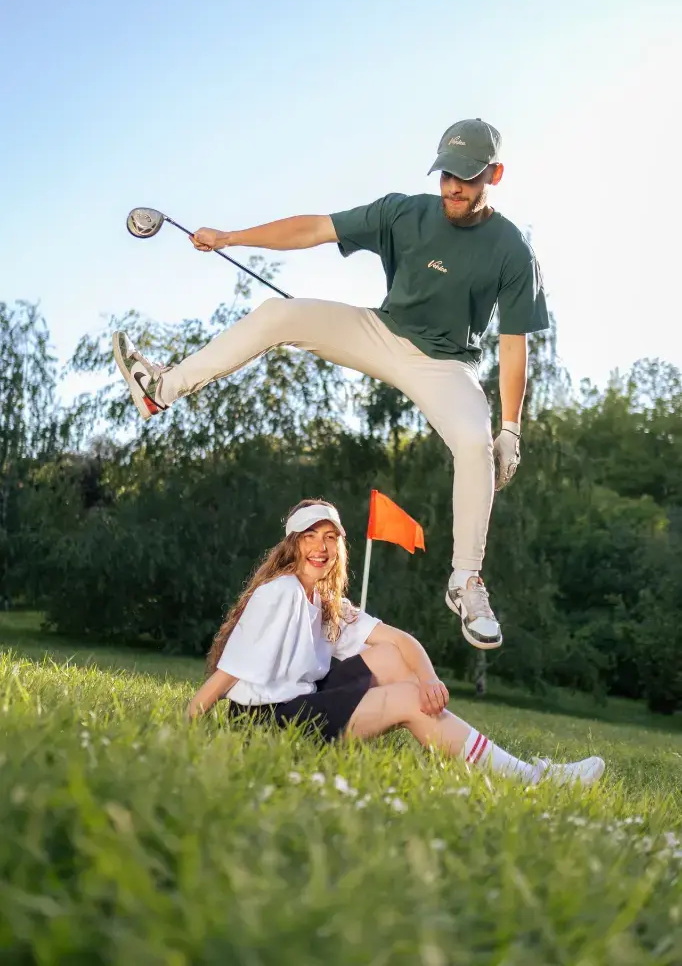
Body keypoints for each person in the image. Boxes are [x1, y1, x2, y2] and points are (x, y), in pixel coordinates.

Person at [114, 117, 549, 651]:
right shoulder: (403, 212)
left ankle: (465, 582)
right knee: (279, 313)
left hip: (445, 365)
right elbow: (313, 228)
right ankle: (161, 387)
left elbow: (513, 344)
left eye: (467, 176)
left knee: (475, 443)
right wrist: (231, 237)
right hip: (381, 331)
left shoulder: (511, 250)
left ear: (494, 174)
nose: (453, 187)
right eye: (445, 175)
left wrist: (511, 428)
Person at [186, 498, 605, 788]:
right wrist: (190, 725)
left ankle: (444, 742)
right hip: (266, 722)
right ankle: (531, 777)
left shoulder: (325, 601)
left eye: (330, 537)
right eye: (310, 536)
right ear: (292, 545)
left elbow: (401, 641)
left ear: (340, 546)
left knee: (392, 661)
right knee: (407, 699)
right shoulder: (279, 593)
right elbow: (231, 671)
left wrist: (430, 679)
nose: (320, 547)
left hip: (300, 699)